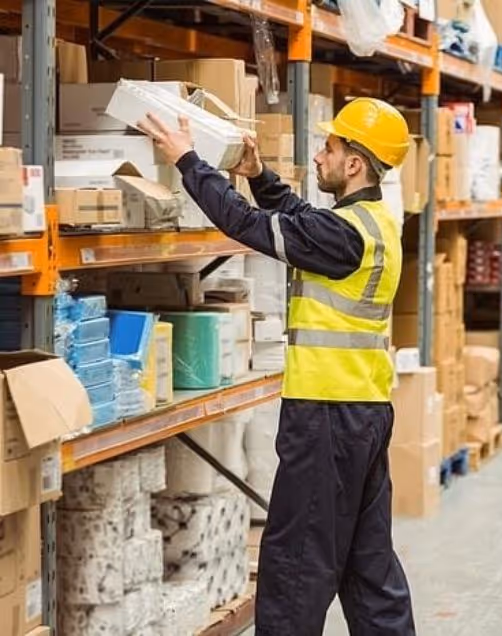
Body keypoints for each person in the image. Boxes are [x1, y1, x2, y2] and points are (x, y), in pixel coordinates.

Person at [138, 99, 416, 635]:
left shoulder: (346, 236)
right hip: (363, 413)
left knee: (295, 568)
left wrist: (187, 159)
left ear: (355, 163)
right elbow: (299, 217)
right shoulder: (370, 223)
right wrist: (259, 174)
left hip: (328, 420)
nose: (319, 156)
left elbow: (246, 224)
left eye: (330, 148)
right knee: (368, 566)